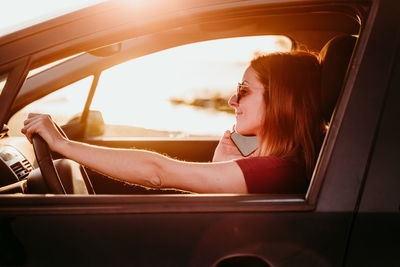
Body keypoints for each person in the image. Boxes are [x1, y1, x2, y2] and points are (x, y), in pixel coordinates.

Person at [21, 51, 324, 194]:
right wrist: (222, 164)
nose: (233, 101)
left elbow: (157, 173)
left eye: (243, 91)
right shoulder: (277, 165)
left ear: (282, 101)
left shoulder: (273, 171)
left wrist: (63, 144)